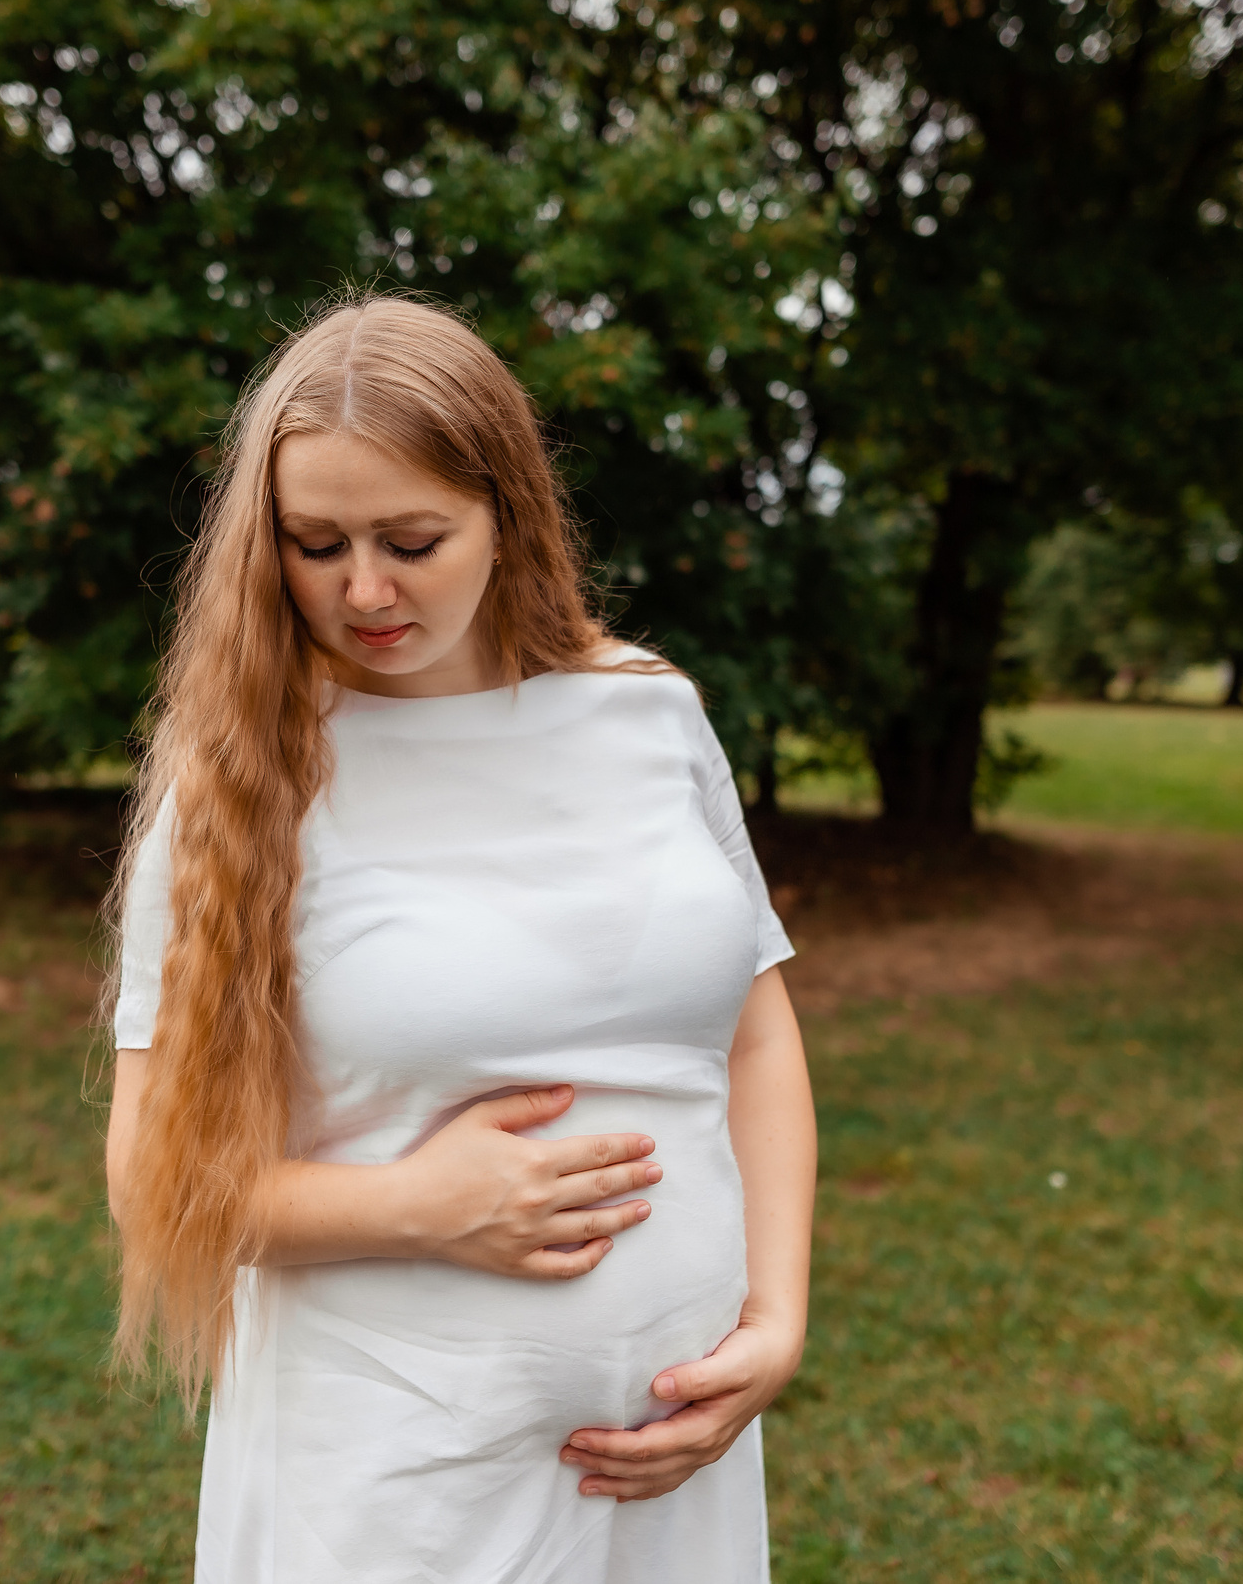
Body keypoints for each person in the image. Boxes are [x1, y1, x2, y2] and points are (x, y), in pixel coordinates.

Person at [104, 294, 817, 1582]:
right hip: (393, 1476)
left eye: (413, 539)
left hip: (671, 1454)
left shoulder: (650, 714)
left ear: (509, 515)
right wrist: (419, 1207)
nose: (363, 589)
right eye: (315, 544)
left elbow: (756, 1030)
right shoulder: (241, 787)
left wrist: (775, 1317)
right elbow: (154, 1186)